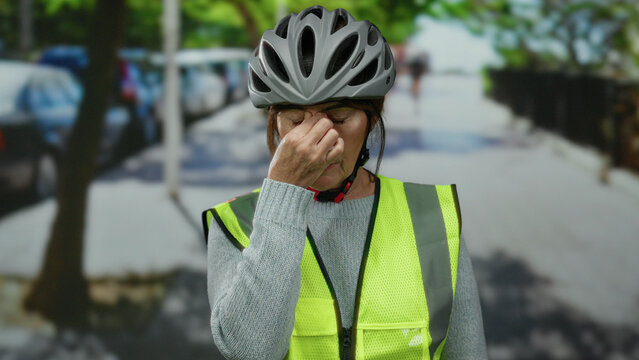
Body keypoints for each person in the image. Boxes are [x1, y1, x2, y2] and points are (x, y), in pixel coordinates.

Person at [203, 5, 487, 360]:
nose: (320, 140)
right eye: (295, 120)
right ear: (273, 121)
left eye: (339, 117)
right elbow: (249, 352)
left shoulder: (433, 217)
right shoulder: (235, 224)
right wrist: (284, 194)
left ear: (372, 118)